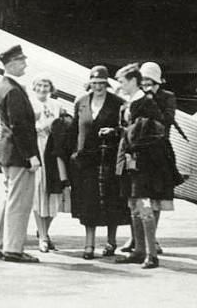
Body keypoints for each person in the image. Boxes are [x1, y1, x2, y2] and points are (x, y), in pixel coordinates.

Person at [115, 64, 175, 269]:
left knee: (145, 205)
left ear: (133, 81)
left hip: (146, 163)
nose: (120, 86)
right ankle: (139, 250)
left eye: (122, 82)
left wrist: (126, 133)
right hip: (131, 160)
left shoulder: (146, 103)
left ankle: (151, 254)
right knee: (134, 205)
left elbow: (147, 131)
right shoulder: (131, 102)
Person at [67, 65, 129, 260]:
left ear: (107, 84)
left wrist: (114, 132)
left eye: (102, 83)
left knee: (111, 202)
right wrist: (74, 154)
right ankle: (89, 245)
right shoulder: (81, 102)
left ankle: (111, 242)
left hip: (108, 159)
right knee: (88, 204)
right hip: (86, 162)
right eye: (94, 83)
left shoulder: (118, 103)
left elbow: (126, 130)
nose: (98, 87)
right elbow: (75, 131)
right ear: (90, 84)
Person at [0, 44, 41, 264]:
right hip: (19, 155)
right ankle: (13, 249)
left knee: (9, 199)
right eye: (21, 61)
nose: (25, 65)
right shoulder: (14, 90)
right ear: (11, 64)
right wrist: (31, 155)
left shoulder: (4, 85)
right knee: (19, 203)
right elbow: (19, 126)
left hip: (8, 152)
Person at [30, 73, 72, 253]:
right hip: (38, 149)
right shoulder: (30, 103)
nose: (42, 89)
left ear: (51, 88)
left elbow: (66, 123)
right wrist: (41, 125)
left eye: (46, 86)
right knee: (39, 192)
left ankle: (43, 233)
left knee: (54, 192)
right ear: (34, 87)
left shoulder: (57, 105)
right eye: (39, 85)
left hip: (54, 152)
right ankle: (43, 237)